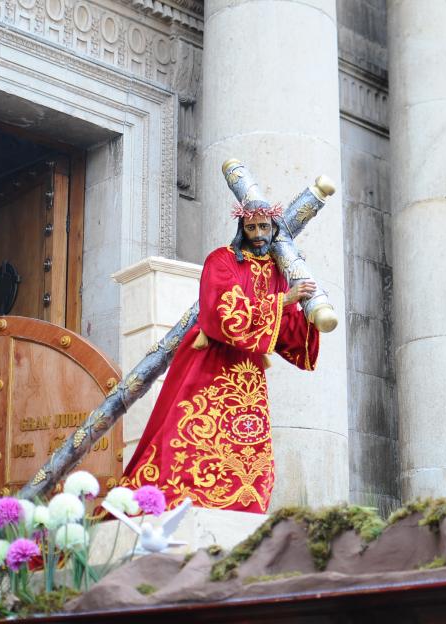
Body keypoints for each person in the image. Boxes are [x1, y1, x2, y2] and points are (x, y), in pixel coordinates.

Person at [121, 199, 320, 512]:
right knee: (187, 435)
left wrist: (309, 311)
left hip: (248, 372)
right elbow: (222, 313)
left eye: (264, 227)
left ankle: (240, 509)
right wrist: (282, 300)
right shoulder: (221, 260)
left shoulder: (278, 272)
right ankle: (171, 501)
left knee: (247, 446)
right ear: (240, 228)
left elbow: (286, 330)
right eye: (251, 227)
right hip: (208, 361)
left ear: (273, 229)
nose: (257, 234)